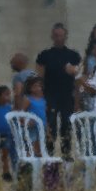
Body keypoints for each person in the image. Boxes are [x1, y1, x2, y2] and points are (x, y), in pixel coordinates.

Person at [36, 23, 81, 157]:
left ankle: (66, 156)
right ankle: (49, 157)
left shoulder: (73, 55)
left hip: (67, 96)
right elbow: (40, 77)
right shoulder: (45, 55)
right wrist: (40, 97)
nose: (58, 38)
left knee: (66, 126)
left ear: (65, 36)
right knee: (51, 126)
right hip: (50, 96)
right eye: (56, 35)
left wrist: (77, 100)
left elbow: (78, 79)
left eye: (61, 35)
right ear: (52, 36)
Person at [17, 76, 47, 156]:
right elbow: (21, 114)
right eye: (35, 86)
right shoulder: (28, 99)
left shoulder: (43, 99)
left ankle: (40, 164)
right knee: (32, 147)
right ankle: (31, 163)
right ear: (30, 88)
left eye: (39, 85)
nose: (38, 88)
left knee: (41, 148)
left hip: (42, 126)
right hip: (32, 127)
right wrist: (26, 121)